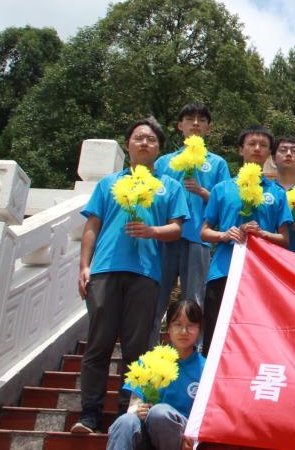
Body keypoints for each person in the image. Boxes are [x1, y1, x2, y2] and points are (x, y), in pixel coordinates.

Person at [72, 118, 189, 434]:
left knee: (136, 349)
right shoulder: (108, 184)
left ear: (159, 148)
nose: (144, 143)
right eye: (139, 138)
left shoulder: (169, 186)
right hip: (105, 270)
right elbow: (92, 226)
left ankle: (127, 414)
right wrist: (84, 266)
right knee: (99, 343)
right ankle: (90, 413)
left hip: (146, 274)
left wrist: (152, 231)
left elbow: (177, 228)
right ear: (128, 145)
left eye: (151, 139)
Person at [199, 127, 291, 355]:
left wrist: (262, 234)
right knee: (215, 334)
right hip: (223, 271)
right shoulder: (222, 189)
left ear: (269, 154)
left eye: (263, 145)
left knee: (256, 336)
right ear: (240, 150)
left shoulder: (277, 192)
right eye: (251, 144)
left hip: (262, 274)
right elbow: (204, 232)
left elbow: (284, 239)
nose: (257, 149)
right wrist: (224, 235)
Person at [152, 103, 230, 347]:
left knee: (194, 299)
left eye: (201, 120)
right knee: (155, 298)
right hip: (164, 239)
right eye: (190, 119)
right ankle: (147, 350)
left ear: (208, 128)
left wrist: (202, 191)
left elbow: (226, 204)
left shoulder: (217, 163)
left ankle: (193, 354)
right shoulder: (164, 162)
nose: (195, 123)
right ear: (180, 125)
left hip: (198, 238)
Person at [106, 300, 206, 450]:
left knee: (159, 413)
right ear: (168, 329)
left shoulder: (206, 369)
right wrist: (136, 409)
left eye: (190, 325)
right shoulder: (150, 361)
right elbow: (134, 404)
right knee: (125, 421)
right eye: (177, 325)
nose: (184, 331)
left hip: (181, 436)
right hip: (146, 432)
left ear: (199, 329)